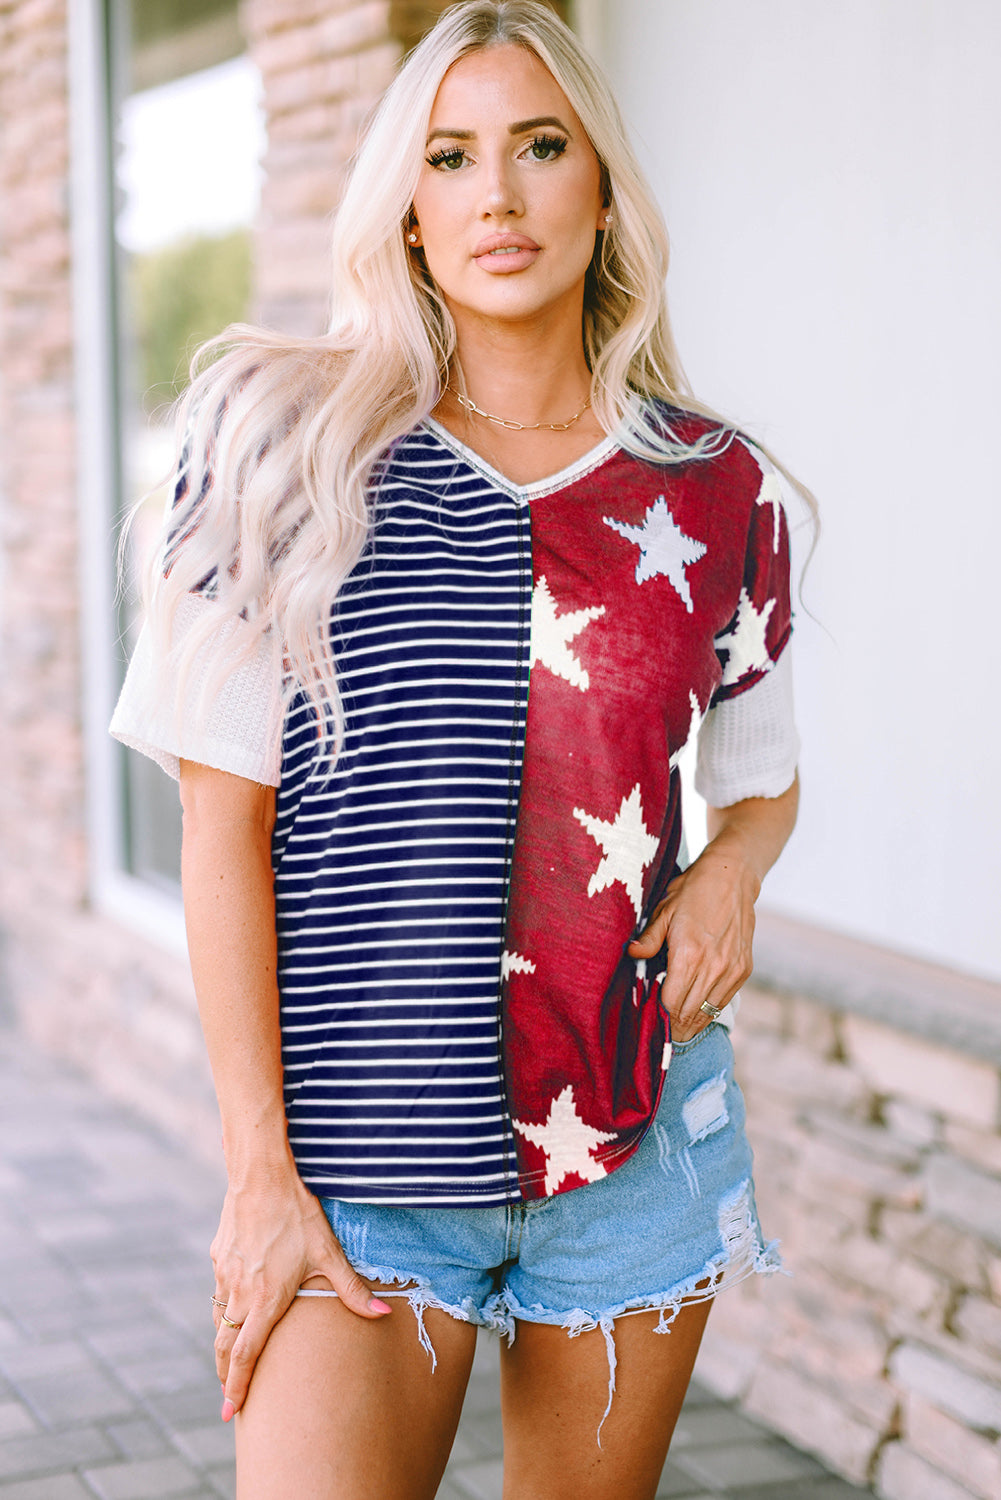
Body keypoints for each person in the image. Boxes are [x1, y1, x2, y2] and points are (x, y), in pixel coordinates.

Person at [111, 3, 807, 1495]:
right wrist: (257, 1176)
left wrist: (735, 869)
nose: (497, 194)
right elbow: (220, 822)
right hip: (354, 1170)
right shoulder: (281, 448)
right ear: (408, 212)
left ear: (600, 190)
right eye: (450, 156)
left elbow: (761, 772)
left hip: (630, 1148)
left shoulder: (710, 489)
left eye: (538, 148)